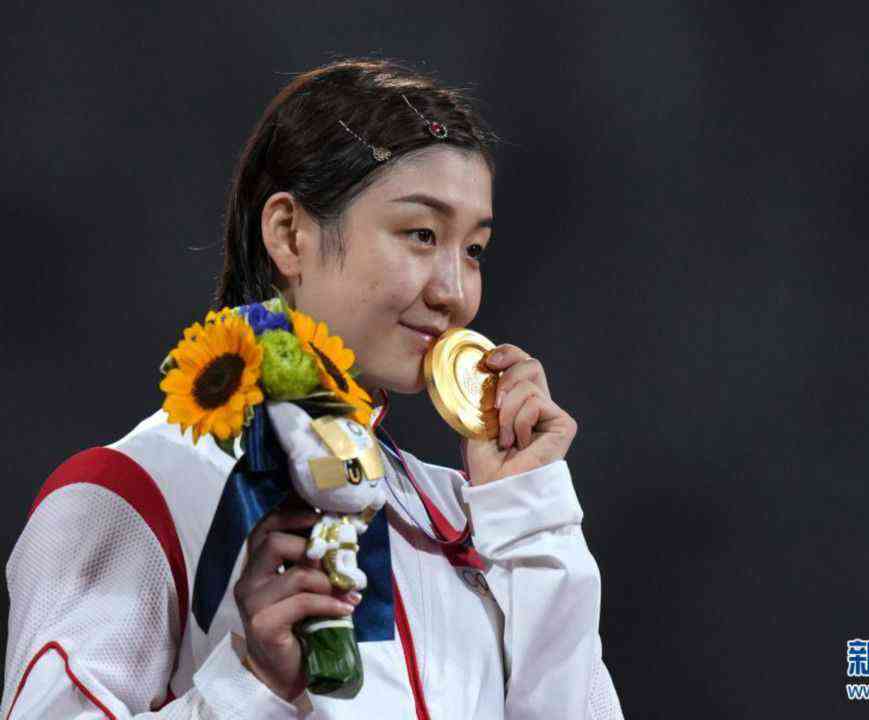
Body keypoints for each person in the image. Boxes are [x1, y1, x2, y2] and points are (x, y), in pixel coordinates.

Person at [2, 58, 625, 719]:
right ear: (289, 235)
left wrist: (530, 524)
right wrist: (253, 688)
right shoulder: (134, 492)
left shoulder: (468, 517)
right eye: (421, 234)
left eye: (473, 250)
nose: (455, 293)